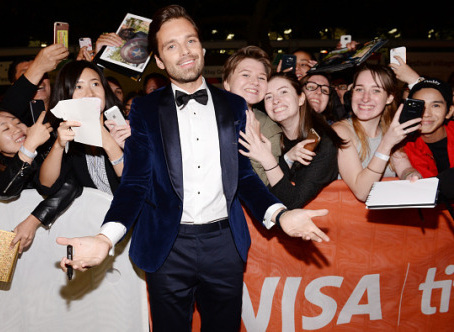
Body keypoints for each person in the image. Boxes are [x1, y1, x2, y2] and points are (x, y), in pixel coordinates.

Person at [56, 5, 329, 332]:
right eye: (171, 46)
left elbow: (243, 176)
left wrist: (281, 214)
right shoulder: (144, 108)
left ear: (201, 47)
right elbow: (135, 183)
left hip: (224, 245)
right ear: (159, 60)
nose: (184, 52)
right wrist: (105, 237)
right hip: (167, 247)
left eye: (190, 41)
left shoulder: (234, 105)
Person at [0, 109, 82, 253]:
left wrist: (33, 222)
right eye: (6, 129)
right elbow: (4, 190)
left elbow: (70, 184)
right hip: (3, 247)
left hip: (56, 241)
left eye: (18, 122)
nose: (16, 129)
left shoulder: (48, 149)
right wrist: (28, 148)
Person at [239, 72, 344, 209]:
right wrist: (288, 158)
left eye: (283, 92)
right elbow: (266, 189)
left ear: (301, 98)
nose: (276, 100)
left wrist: (267, 159)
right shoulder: (274, 137)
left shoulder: (323, 142)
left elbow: (293, 201)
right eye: (268, 96)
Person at [38, 60, 130, 196]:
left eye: (95, 84)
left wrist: (109, 143)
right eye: (78, 87)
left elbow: (136, 185)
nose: (90, 93)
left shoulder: (124, 128)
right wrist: (58, 145)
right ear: (66, 95)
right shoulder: (67, 136)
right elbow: (46, 186)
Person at [332, 63, 422, 201]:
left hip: (385, 219)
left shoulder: (389, 130)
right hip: (349, 219)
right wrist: (386, 144)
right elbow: (362, 192)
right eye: (360, 89)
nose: (365, 98)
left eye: (376, 91)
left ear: (389, 97)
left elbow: (404, 168)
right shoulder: (341, 131)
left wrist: (412, 175)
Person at [222, 45, 282, 185]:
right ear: (227, 83)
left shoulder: (269, 129)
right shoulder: (206, 117)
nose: (255, 82)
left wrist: (255, 145)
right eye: (246, 75)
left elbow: (265, 185)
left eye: (261, 78)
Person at [1, 44, 69, 125]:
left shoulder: (67, 109)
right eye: (27, 74)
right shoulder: (13, 120)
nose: (38, 79)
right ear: (14, 85)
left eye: (44, 73)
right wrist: (39, 67)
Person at [402, 78, 453, 178]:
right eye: (419, 105)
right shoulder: (403, 144)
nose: (426, 114)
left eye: (435, 105)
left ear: (449, 111)